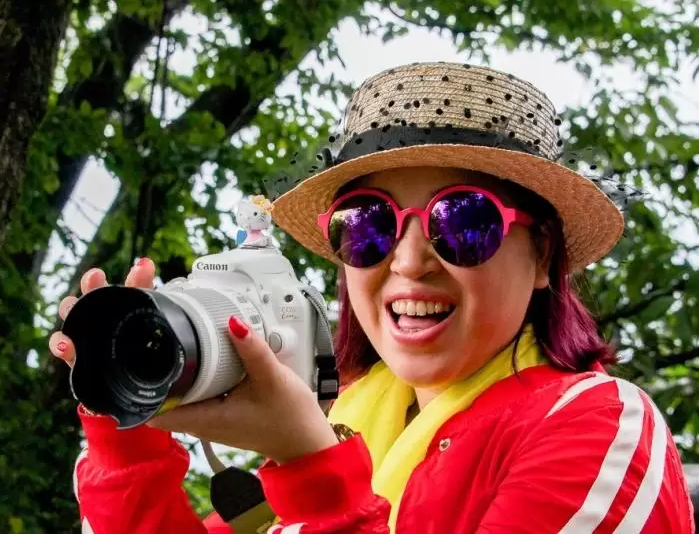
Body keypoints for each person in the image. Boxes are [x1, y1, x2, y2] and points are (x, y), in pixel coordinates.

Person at [49, 62, 696, 533]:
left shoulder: (601, 426)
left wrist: (315, 471)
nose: (408, 261)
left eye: (463, 221)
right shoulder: (347, 419)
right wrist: (127, 434)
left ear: (544, 257)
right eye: (368, 225)